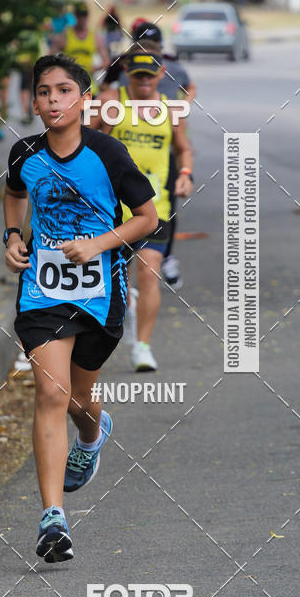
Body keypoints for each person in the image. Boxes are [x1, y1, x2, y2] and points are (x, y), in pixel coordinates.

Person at [4, 53, 157, 562]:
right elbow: (14, 193)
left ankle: (92, 435)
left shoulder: (107, 154)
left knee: (79, 399)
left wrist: (97, 244)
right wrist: (12, 237)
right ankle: (53, 518)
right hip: (42, 292)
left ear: (84, 99)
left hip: (99, 293)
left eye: (64, 91)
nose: (54, 101)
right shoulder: (25, 153)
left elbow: (147, 218)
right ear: (34, 102)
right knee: (50, 392)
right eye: (44, 92)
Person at [90, 43, 194, 371]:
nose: (144, 81)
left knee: (149, 272)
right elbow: (80, 141)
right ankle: (121, 308)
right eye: (138, 75)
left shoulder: (170, 109)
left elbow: (183, 148)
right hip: (111, 209)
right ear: (127, 73)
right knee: (111, 278)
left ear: (162, 73)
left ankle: (143, 348)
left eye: (150, 75)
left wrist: (185, 174)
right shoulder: (110, 102)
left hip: (154, 208)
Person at [133, 21, 196, 290]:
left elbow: (191, 87)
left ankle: (165, 255)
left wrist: (181, 107)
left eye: (154, 46)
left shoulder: (172, 68)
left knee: (166, 204)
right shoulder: (122, 69)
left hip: (164, 147)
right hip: (127, 153)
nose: (144, 76)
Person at [52, 3, 109, 91]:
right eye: (80, 15)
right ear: (75, 16)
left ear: (88, 16)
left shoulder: (94, 37)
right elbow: (49, 57)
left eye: (84, 16)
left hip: (88, 86)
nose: (82, 19)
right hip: (68, 86)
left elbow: (106, 61)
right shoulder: (66, 35)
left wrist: (95, 68)